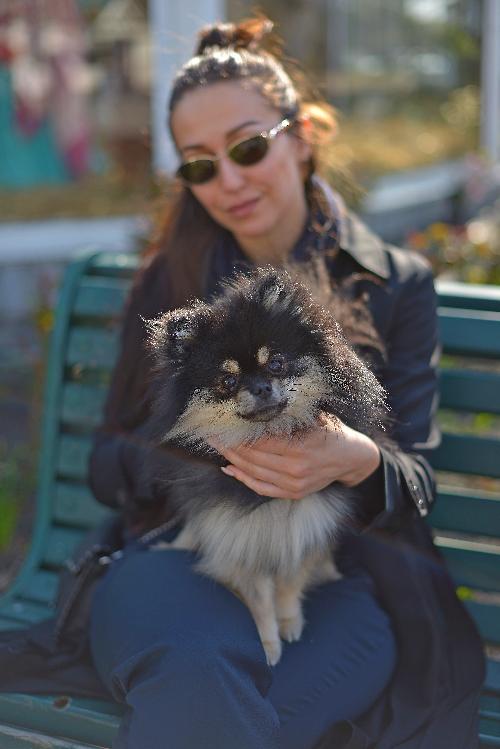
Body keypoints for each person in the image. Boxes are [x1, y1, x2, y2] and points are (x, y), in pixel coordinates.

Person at [0, 15, 484, 749]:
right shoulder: (172, 284)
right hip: (175, 560)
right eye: (198, 163)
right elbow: (106, 462)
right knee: (202, 680)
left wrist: (356, 458)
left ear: (302, 134)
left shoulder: (392, 283)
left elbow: (414, 472)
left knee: (223, 712)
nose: (227, 180)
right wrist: (204, 453)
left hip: (337, 585)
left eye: (248, 147)